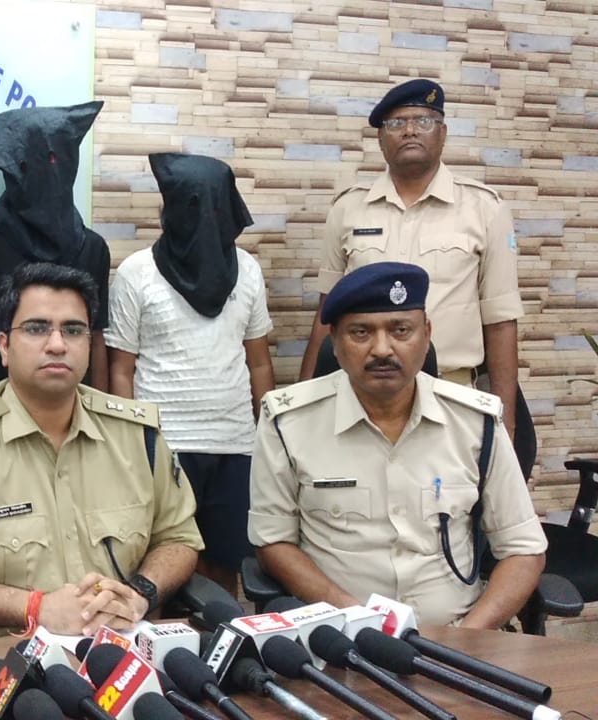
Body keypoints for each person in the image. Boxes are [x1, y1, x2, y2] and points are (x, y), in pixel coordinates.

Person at [0, 262, 204, 639]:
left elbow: (179, 538)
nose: (57, 344)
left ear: (89, 346)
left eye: (73, 330)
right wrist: (34, 607)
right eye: (36, 328)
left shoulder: (137, 436)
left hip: (118, 652)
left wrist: (139, 595)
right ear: (4, 346)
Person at [250, 262, 546, 629]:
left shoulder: (476, 422)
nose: (382, 349)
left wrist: (470, 637)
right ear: (335, 342)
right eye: (360, 332)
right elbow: (273, 543)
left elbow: (524, 549)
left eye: (400, 330)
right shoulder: (288, 423)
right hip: (343, 636)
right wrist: (361, 621)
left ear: (427, 335)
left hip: (458, 635)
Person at [300, 79, 523, 438]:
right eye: (396, 123)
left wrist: (506, 424)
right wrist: (307, 406)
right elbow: (327, 315)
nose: (409, 131)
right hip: (362, 399)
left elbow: (500, 322)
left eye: (423, 121)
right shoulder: (348, 208)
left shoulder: (485, 209)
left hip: (452, 396)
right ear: (380, 138)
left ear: (443, 133)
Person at [107, 153, 275, 595]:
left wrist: (270, 435)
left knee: (224, 567)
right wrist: (129, 443)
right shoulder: (136, 273)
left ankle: (221, 642)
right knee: (157, 569)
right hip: (163, 444)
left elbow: (259, 362)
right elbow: (122, 369)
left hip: (234, 444)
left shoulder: (249, 270)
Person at [0, 101, 113, 391]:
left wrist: (100, 408)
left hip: (74, 403)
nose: (47, 172)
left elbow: (96, 336)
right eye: (31, 163)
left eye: (54, 160)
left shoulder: (92, 248)